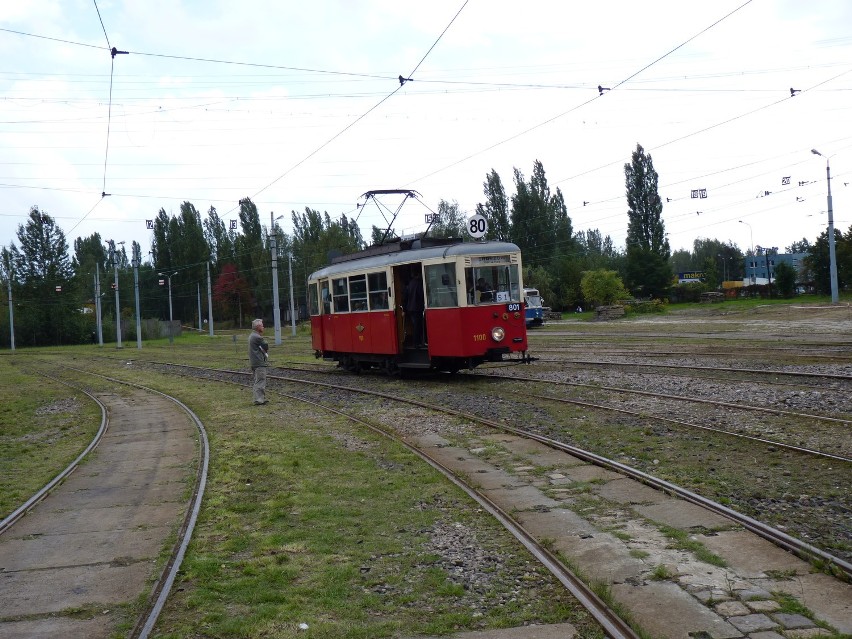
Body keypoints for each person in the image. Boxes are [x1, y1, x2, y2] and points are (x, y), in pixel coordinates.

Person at [248, 318, 269, 405]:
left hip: (254, 362)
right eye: (262, 325)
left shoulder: (252, 335)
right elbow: (265, 345)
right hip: (259, 362)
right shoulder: (257, 337)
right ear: (258, 327)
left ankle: (260, 398)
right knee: (260, 380)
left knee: (258, 380)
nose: (263, 327)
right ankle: (259, 400)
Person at [403, 268, 425, 347]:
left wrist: (405, 308)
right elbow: (421, 295)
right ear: (418, 275)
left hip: (410, 308)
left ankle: (416, 342)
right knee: (418, 325)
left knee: (415, 325)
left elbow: (405, 296)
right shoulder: (418, 283)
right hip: (417, 308)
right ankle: (417, 343)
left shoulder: (410, 284)